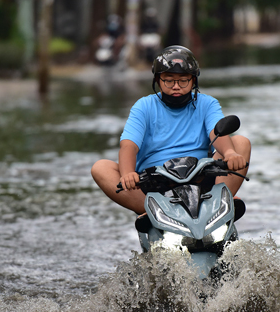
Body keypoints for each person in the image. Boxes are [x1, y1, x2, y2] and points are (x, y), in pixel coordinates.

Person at [91, 45, 251, 215]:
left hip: (200, 176)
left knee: (241, 142)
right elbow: (129, 145)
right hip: (154, 182)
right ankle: (150, 212)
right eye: (169, 80)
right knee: (100, 167)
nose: (176, 86)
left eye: (183, 80)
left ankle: (220, 202)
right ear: (158, 80)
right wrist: (128, 173)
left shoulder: (207, 103)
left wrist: (229, 153)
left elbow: (216, 131)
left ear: (193, 81)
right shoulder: (143, 106)